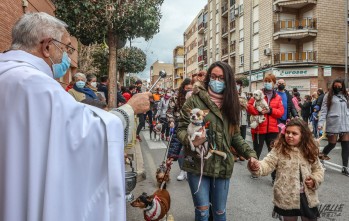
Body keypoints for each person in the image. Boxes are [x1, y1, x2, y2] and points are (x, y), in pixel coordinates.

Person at [0, 12, 152, 221]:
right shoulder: (34, 84)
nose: (67, 56)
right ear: (46, 46)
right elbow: (83, 136)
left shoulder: (8, 73)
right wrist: (129, 109)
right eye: (66, 47)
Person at [177, 61, 258, 221]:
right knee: (202, 212)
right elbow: (180, 128)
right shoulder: (194, 100)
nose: (217, 81)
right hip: (197, 164)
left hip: (222, 165)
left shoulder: (232, 103)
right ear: (208, 78)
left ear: (228, 81)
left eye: (221, 78)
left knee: (220, 213)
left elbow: (234, 135)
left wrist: (250, 155)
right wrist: (191, 140)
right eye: (213, 77)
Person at [248, 119, 324, 221]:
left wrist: (315, 180)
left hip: (307, 196)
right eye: (287, 132)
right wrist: (257, 166)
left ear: (303, 135)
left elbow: (318, 169)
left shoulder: (309, 149)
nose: (290, 135)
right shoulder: (279, 149)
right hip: (286, 196)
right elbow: (267, 163)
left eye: (294, 133)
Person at [247, 74, 284, 182]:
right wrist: (258, 111)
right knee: (256, 151)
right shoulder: (257, 94)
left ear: (274, 83)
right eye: (266, 81)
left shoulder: (278, 97)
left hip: (272, 130)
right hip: (259, 128)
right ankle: (255, 170)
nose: (267, 83)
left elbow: (281, 112)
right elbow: (249, 107)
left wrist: (270, 110)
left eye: (269, 81)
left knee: (273, 153)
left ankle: (274, 177)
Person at [318, 79, 349, 176]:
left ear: (342, 87)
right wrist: (321, 123)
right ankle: (321, 158)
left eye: (339, 86)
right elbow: (323, 110)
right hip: (333, 123)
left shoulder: (346, 96)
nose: (337, 88)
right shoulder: (328, 96)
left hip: (345, 124)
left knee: (346, 146)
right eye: (335, 86)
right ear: (333, 86)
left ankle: (345, 167)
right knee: (332, 144)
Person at [167, 78, 193, 181]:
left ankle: (189, 170)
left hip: (192, 126)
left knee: (190, 149)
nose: (188, 91)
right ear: (183, 88)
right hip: (179, 125)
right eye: (187, 89)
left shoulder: (195, 98)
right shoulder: (175, 97)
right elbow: (169, 111)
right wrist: (171, 120)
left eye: (191, 89)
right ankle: (183, 170)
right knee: (179, 150)